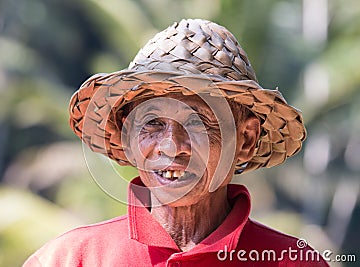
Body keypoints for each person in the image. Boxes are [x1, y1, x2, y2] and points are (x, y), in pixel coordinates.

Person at [23, 19, 329, 266]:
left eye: (197, 123)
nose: (171, 146)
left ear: (245, 140)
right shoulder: (68, 260)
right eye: (152, 123)